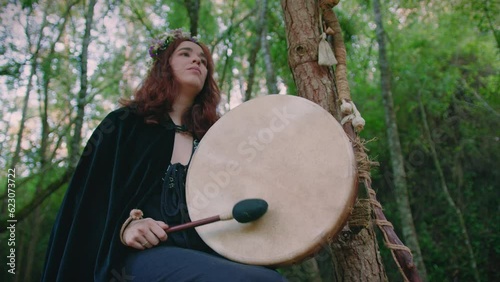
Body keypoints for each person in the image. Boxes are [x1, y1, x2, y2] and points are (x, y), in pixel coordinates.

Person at [41, 29, 287, 281]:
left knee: (272, 277)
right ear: (163, 65)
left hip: (208, 250)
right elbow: (91, 203)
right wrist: (125, 227)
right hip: (136, 259)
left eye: (203, 61)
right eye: (185, 54)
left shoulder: (214, 140)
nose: (197, 62)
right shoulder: (124, 125)